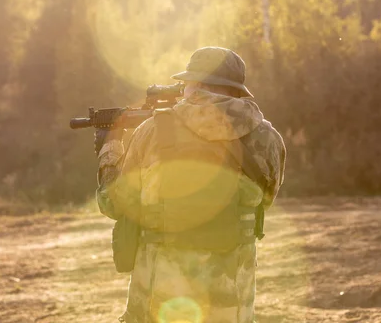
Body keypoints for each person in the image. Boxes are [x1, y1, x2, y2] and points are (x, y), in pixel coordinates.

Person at [95, 47, 286, 323]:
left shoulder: (152, 131)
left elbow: (112, 202)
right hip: (231, 300)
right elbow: (265, 199)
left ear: (194, 85)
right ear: (237, 90)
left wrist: (109, 148)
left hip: (159, 300)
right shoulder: (267, 137)